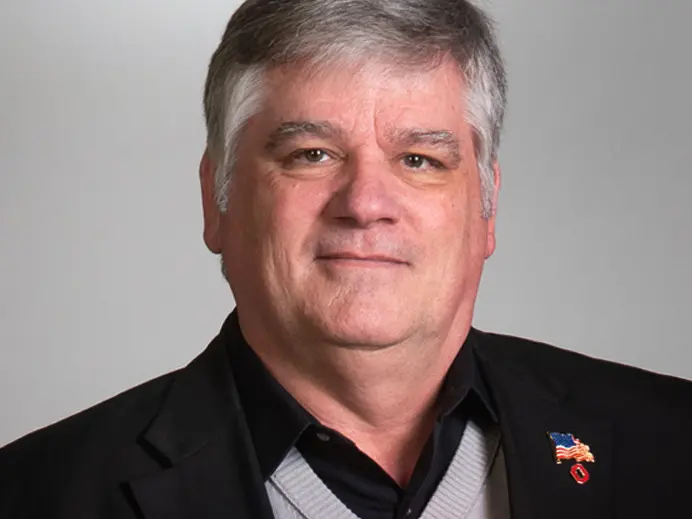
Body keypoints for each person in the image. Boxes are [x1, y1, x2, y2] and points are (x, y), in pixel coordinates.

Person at [1, 0, 691, 517]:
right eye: (312, 154)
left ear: (486, 207)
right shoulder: (37, 494)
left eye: (419, 159)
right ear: (218, 201)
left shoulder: (670, 442)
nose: (365, 202)